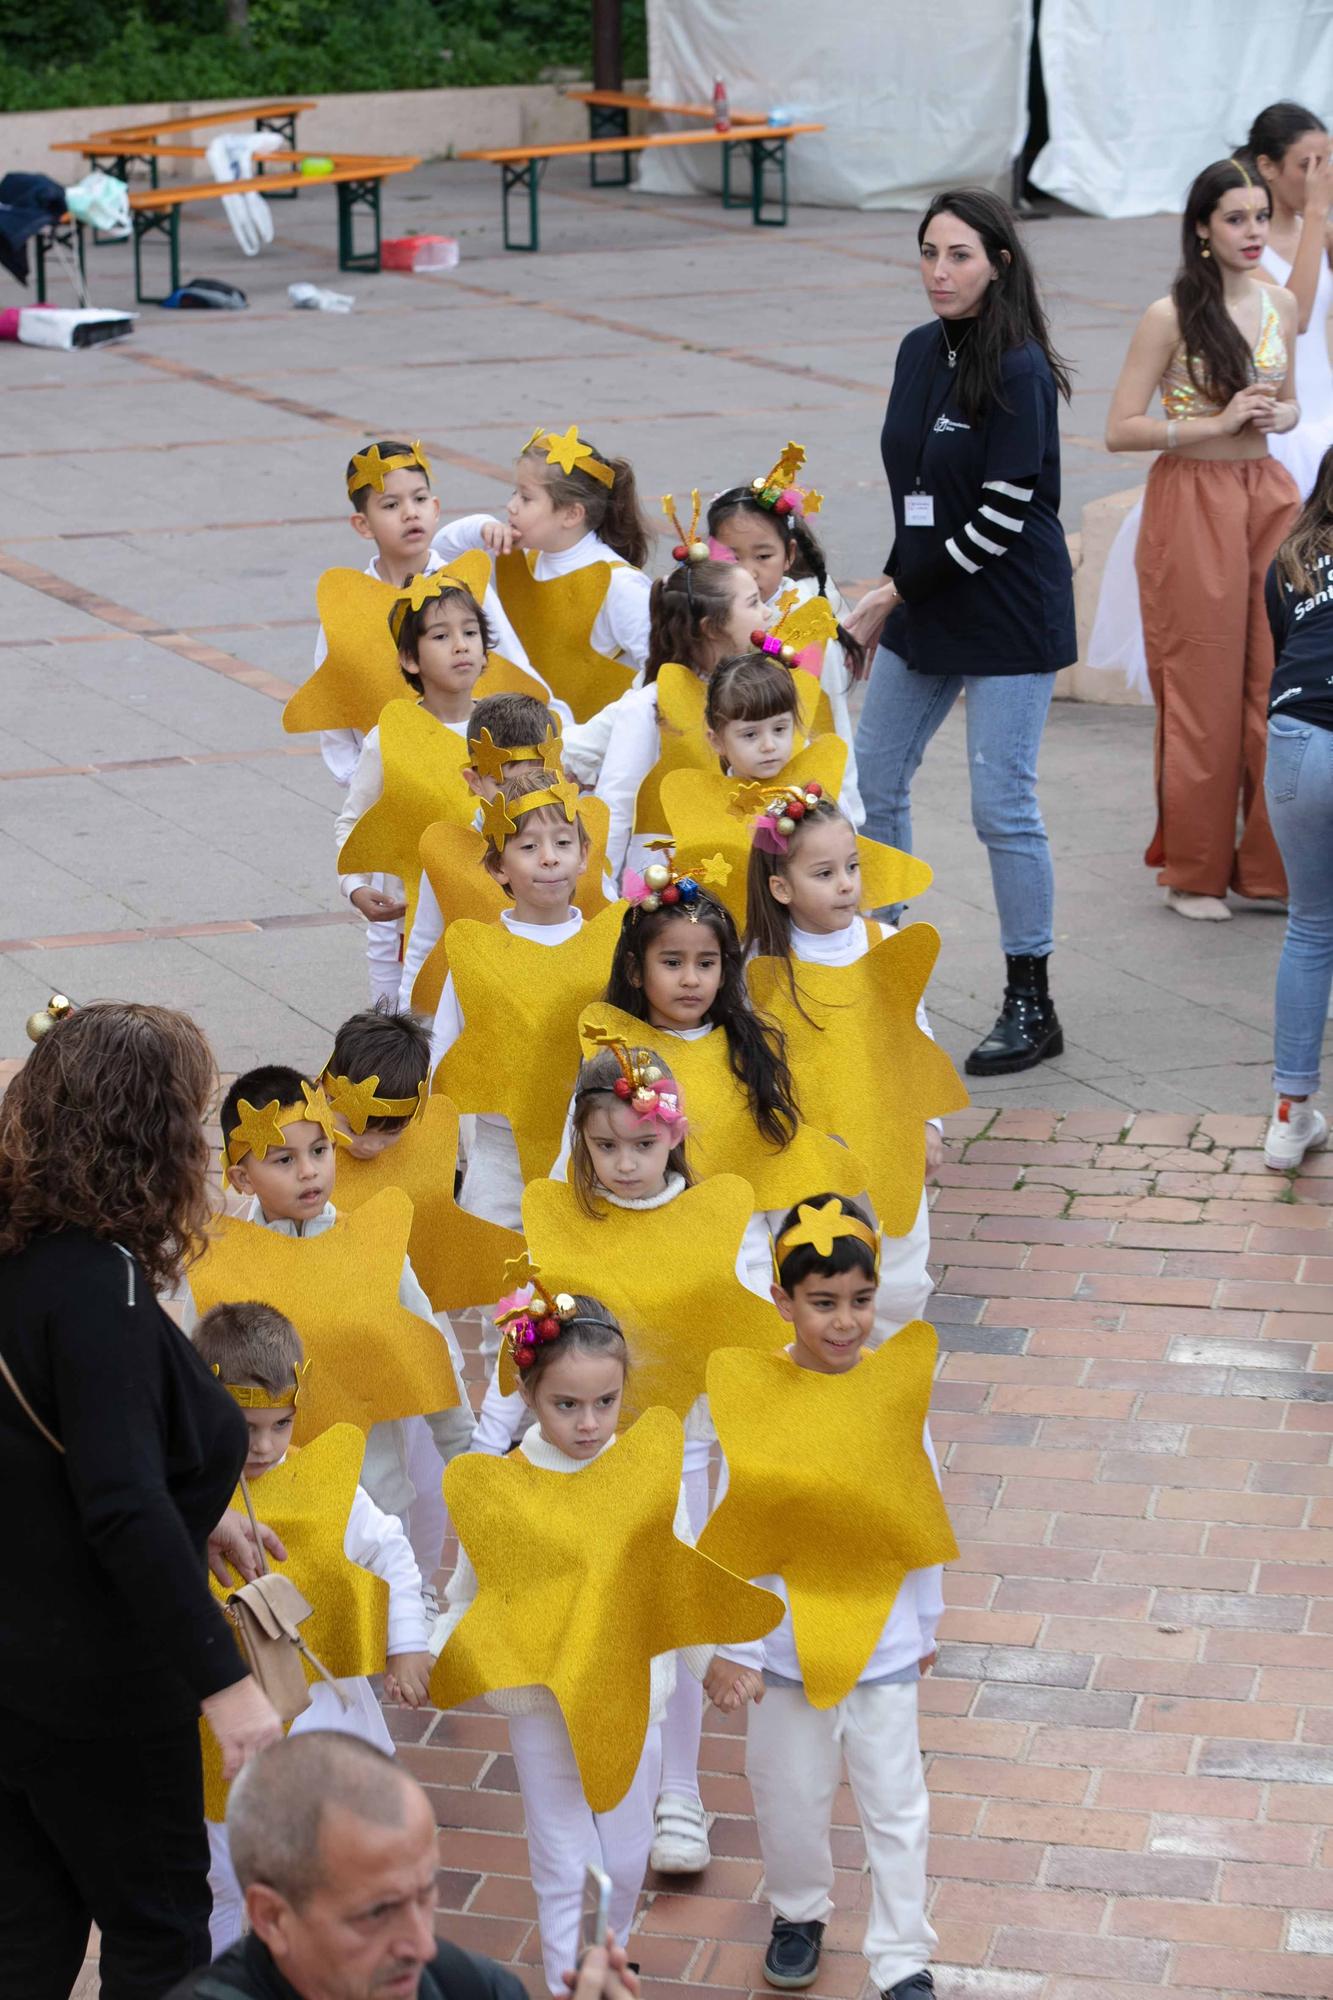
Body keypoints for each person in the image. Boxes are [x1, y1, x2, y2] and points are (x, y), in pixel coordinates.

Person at [0, 1001, 283, 1999]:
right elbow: (117, 1500)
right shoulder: (104, 1294)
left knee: (27, 1938)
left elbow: (66, 1448)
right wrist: (228, 1685)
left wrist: (198, 1508)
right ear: (146, 1136)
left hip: (17, 1674)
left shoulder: (27, 1255)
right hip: (101, 1689)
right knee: (161, 1930)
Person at [847, 187, 1075, 1077]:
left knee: (1000, 804)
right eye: (929, 253)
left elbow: (997, 519)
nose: (939, 272)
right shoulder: (915, 352)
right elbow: (918, 500)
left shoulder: (1016, 366)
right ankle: (876, 970)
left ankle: (1032, 997)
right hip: (926, 600)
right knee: (873, 780)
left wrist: (886, 596)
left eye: (959, 256)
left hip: (1009, 610)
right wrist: (887, 593)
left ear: (998, 265)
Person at [701, 1196, 951, 2000]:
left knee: (894, 1803)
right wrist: (735, 1644)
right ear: (782, 1299)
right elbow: (735, 1523)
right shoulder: (755, 1392)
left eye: (860, 1301)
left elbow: (920, 1507)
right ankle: (799, 1912)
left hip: (880, 1639)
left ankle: (902, 1955)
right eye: (823, 1303)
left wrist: (926, 1622)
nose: (845, 1323)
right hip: (781, 1649)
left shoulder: (892, 1391)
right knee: (788, 1791)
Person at [432, 1296, 705, 1997]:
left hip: (629, 1690)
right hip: (539, 1698)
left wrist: (723, 1662)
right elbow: (467, 1592)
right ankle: (563, 1982)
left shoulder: (648, 1473)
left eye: (605, 1402)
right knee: (557, 1848)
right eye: (565, 1405)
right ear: (527, 1395)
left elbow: (682, 1583)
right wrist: (437, 1654)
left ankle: (608, 1959)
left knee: (625, 1843)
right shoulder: (503, 1487)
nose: (588, 1423)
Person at [191, 1302, 432, 1954]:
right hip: (222, 1739)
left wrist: (407, 1643)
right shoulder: (182, 1493)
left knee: (340, 1866)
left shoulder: (329, 1484)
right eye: (245, 1428)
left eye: (281, 1424)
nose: (265, 1446)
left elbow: (391, 1550)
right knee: (228, 1881)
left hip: (330, 1716)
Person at [1105, 156, 1300, 921]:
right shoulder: (1169, 315)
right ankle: (1192, 872)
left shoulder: (1280, 301)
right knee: (1201, 689)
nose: (1252, 231)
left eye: (1258, 216)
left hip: (1269, 497)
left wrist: (1276, 417)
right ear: (1200, 229)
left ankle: (1269, 870)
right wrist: (1212, 424)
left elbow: (1285, 403)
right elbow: (1120, 428)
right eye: (1234, 219)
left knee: (1277, 683)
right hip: (1192, 502)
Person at [187, 1065, 472, 1582]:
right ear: (241, 1176)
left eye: (320, 1151)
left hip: (375, 1502)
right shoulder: (219, 1263)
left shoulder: (373, 1244)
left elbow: (429, 1352)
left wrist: (466, 1457)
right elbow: (187, 1381)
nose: (310, 1172)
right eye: (284, 1159)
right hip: (261, 1510)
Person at [165, 1731, 642, 1999]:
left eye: (426, 1894)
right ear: (271, 1918)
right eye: (377, 1912)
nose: (421, 1945)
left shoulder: (470, 1989)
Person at [314, 442, 530, 1007]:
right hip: (399, 802)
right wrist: (390, 785)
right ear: (363, 523)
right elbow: (334, 710)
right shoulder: (351, 607)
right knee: (399, 959)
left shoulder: (465, 592)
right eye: (391, 505)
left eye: (419, 500)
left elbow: (515, 671)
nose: (409, 514)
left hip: (481, 799)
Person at [744, 791, 949, 1337]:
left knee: (900, 1275)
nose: (845, 884)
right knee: (810, 1265)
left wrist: (929, 1121)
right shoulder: (764, 964)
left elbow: (916, 1037)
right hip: (806, 1148)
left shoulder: (884, 944)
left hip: (886, 1142)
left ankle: (882, 1370)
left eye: (852, 867)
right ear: (781, 887)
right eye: (825, 872)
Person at [427, 765, 596, 1219]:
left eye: (563, 843)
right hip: (499, 1155)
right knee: (488, 1270)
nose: (548, 858)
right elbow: (442, 1056)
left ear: (583, 855)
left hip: (592, 1151)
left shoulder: (608, 949)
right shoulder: (477, 951)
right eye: (528, 846)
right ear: (499, 867)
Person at [434, 422, 652, 740]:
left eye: (526, 498)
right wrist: (479, 528)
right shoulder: (528, 561)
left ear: (571, 515)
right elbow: (438, 557)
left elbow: (661, 671)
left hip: (595, 755)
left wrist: (599, 738)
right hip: (530, 743)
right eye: (514, 493)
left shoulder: (618, 584)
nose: (511, 506)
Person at [335, 571, 494, 1000]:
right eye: (441, 636)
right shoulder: (390, 736)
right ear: (410, 659)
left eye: (470, 632)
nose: (461, 645)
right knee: (405, 1040)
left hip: (492, 920)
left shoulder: (504, 728)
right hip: (405, 929)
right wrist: (356, 887)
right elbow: (354, 821)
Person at [592, 543, 765, 891]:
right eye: (753, 603)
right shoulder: (650, 706)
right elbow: (616, 808)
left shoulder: (762, 687)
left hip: (745, 869)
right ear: (712, 628)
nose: (768, 614)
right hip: (669, 881)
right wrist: (601, 896)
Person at [708, 441, 866, 820]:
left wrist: (843, 811)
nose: (748, 569)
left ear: (789, 555)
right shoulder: (702, 609)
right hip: (724, 794)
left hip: (799, 802)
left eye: (763, 556)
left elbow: (831, 723)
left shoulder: (806, 623)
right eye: (731, 557)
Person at [400, 689, 563, 1011]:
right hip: (478, 1008)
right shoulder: (449, 853)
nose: (522, 800)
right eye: (506, 786)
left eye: (539, 781)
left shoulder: (572, 845)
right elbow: (424, 945)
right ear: (474, 782)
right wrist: (409, 1024)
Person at [1261, 446, 1333, 1170]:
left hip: (1300, 734)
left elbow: (1287, 651)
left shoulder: (1291, 560)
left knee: (1310, 927)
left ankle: (1289, 1117)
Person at [1251, 103, 1333, 499]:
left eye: (1326, 165)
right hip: (1285, 419)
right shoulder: (1247, 248)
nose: (1319, 179)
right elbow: (1295, 317)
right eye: (1307, 166)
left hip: (1326, 407)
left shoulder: (1320, 232)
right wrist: (1317, 213)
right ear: (1268, 167)